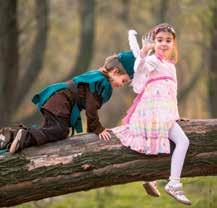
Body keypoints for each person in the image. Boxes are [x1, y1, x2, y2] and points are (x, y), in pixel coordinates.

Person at [112, 23, 191, 205]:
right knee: (182, 141)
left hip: (165, 113)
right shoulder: (152, 61)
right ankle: (173, 183)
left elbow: (173, 94)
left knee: (165, 145)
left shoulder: (170, 66)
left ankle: (152, 178)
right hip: (153, 113)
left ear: (174, 44)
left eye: (168, 41)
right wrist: (142, 53)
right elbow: (138, 75)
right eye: (159, 40)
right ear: (154, 42)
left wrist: (175, 116)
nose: (164, 44)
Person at [0, 51, 135, 154]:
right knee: (58, 131)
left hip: (59, 99)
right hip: (61, 101)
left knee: (52, 132)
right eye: (123, 81)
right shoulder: (101, 82)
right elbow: (91, 108)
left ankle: (10, 138)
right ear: (115, 71)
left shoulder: (97, 76)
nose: (122, 85)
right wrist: (97, 128)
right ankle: (24, 136)